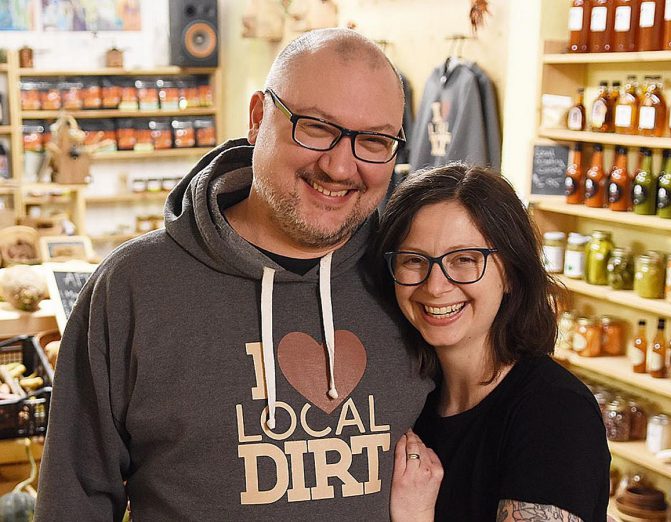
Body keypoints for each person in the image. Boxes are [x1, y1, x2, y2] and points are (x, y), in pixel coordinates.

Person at [34, 28, 432, 521]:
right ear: (258, 117)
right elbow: (74, 500)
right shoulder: (133, 289)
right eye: (316, 128)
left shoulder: (415, 283)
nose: (339, 166)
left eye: (373, 141)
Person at [373, 164, 611, 521]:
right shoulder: (409, 400)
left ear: (512, 272)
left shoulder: (555, 414)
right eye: (414, 260)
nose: (435, 286)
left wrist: (416, 516)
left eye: (465, 259)